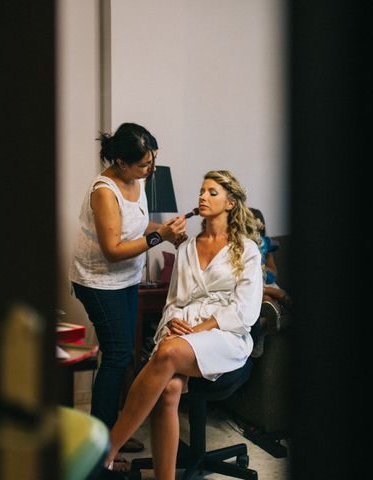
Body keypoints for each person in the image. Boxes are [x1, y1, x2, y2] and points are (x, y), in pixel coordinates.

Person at [103, 170, 263, 479]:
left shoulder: (247, 250)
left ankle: (107, 450)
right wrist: (173, 323)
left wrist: (201, 329)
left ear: (230, 202)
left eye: (212, 192)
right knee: (169, 389)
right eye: (201, 191)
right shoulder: (187, 247)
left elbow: (245, 312)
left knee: (168, 353)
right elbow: (173, 303)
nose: (202, 196)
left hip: (225, 336)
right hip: (183, 335)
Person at [69, 122, 187, 465]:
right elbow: (113, 249)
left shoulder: (137, 180)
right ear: (121, 163)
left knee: (130, 354)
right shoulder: (104, 190)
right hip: (98, 281)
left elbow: (135, 226)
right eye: (143, 164)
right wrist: (159, 237)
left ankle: (116, 433)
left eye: (152, 161)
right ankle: (100, 447)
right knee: (118, 355)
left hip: (127, 280)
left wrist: (166, 231)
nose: (150, 169)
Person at [249, 208, 292, 357]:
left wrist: (262, 267)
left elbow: (274, 272)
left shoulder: (266, 244)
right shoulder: (238, 247)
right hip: (252, 287)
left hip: (266, 283)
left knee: (269, 301)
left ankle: (270, 325)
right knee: (267, 300)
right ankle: (265, 327)